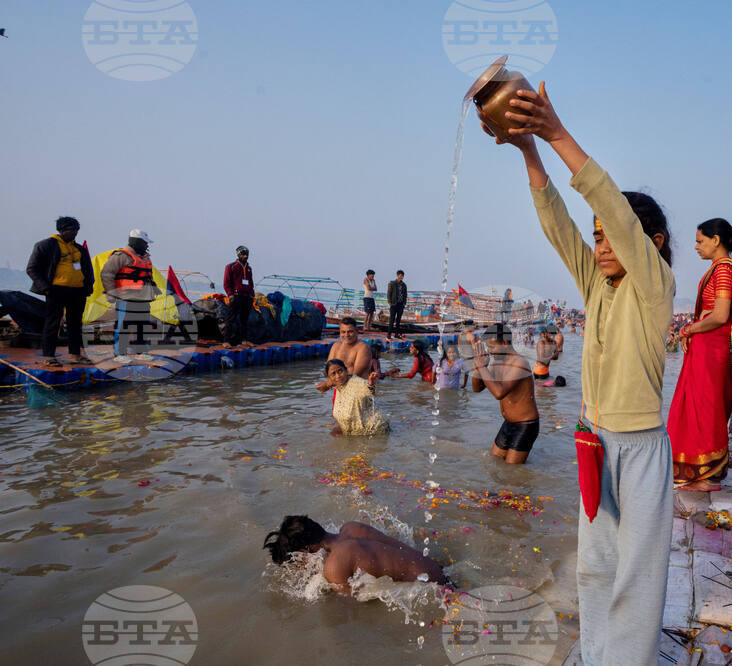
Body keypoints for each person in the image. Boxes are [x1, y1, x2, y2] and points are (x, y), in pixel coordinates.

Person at [481, 82, 675, 665]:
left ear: (651, 244)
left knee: (635, 581)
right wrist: (528, 153)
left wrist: (556, 133)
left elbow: (613, 209)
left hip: (639, 449)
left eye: (610, 237)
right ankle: (594, 655)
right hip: (594, 440)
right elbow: (559, 227)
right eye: (597, 239)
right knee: (595, 567)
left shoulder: (653, 286)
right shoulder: (598, 286)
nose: (599, 245)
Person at [669, 219, 732, 491]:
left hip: (712, 347)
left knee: (704, 408)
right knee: (707, 406)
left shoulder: (723, 270)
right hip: (712, 346)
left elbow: (720, 315)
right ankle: (708, 470)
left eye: (700, 241)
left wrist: (689, 328)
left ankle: (704, 475)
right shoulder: (727, 269)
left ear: (715, 240)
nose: (696, 247)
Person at [262, 515, 446, 591]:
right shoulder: (351, 527)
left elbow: (351, 608)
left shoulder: (334, 566)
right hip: (440, 570)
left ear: (306, 551)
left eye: (298, 561)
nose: (302, 566)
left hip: (436, 590)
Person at [26, 216, 95, 366]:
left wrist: (88, 287)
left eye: (77, 230)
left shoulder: (79, 249)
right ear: (62, 230)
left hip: (77, 291)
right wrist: (45, 288)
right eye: (72, 230)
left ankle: (75, 355)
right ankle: (49, 356)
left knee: (75, 324)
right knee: (53, 323)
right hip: (56, 290)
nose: (75, 233)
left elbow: (88, 270)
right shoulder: (46, 245)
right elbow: (32, 269)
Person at [470, 323, 539, 464]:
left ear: (506, 342)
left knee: (511, 471)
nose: (490, 351)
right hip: (508, 423)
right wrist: (478, 367)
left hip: (526, 425)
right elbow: (477, 388)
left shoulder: (520, 363)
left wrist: (482, 366)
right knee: (494, 462)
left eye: (492, 346)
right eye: (488, 347)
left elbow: (499, 393)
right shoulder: (496, 361)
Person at [100, 229, 160, 364]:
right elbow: (107, 274)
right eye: (145, 243)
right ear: (137, 242)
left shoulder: (144, 257)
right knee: (123, 325)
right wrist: (111, 293)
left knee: (142, 325)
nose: (147, 245)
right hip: (126, 297)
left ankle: (141, 351)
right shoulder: (120, 256)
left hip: (143, 297)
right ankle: (119, 353)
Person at [318, 359, 388, 435]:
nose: (338, 376)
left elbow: (367, 388)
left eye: (340, 371)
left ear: (346, 370)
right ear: (329, 378)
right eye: (333, 374)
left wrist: (370, 384)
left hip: (374, 433)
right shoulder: (339, 386)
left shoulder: (356, 383)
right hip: (357, 434)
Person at [319, 317, 372, 381]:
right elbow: (327, 370)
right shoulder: (336, 346)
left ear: (357, 331)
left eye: (350, 332)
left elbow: (356, 375)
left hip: (357, 388)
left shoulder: (363, 348)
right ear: (340, 332)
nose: (347, 335)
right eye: (343, 332)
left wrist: (328, 385)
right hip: (339, 387)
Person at [222, 245, 254, 349]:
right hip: (236, 296)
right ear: (239, 255)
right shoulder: (231, 266)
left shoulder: (249, 268)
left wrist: (252, 295)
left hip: (247, 297)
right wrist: (230, 295)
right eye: (243, 254)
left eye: (247, 254)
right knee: (230, 318)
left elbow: (251, 283)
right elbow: (226, 283)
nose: (246, 256)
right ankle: (226, 341)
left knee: (244, 319)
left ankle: (244, 340)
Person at [386, 270, 407, 341]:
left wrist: (404, 303)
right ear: (397, 275)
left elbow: (405, 295)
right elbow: (389, 293)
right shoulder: (392, 283)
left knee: (398, 320)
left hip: (400, 304)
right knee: (391, 320)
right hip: (394, 304)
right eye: (400, 275)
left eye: (402, 276)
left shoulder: (404, 285)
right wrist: (390, 303)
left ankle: (396, 334)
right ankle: (389, 334)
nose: (401, 277)